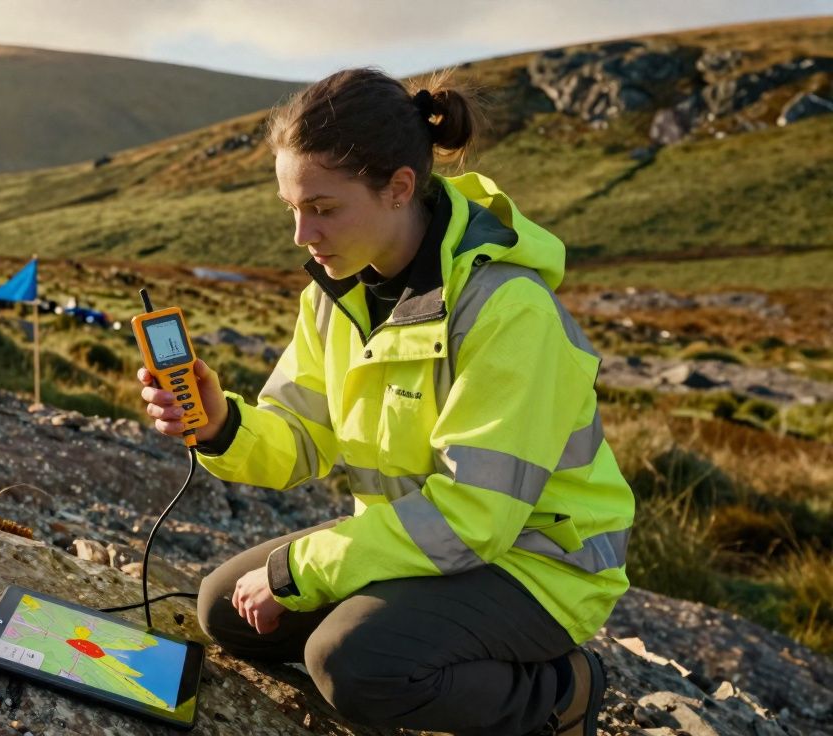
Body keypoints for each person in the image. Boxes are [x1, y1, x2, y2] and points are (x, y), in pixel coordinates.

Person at [137, 67, 635, 736]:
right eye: (292, 208)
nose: (301, 235)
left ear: (400, 187)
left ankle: (562, 693)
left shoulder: (508, 309)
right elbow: (300, 436)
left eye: (322, 208)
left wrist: (297, 570)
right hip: (421, 543)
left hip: (537, 561)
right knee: (224, 607)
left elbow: (475, 518)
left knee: (352, 661)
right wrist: (224, 424)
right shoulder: (333, 297)